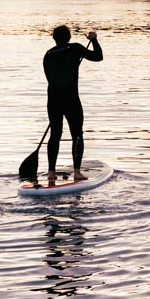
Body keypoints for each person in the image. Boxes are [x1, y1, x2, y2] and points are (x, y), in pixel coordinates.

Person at [43, 25, 102, 183]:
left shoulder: (47, 55)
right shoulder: (75, 48)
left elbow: (53, 78)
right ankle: (77, 172)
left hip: (53, 100)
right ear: (68, 37)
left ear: (54, 38)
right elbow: (98, 56)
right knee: (77, 134)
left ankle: (50, 173)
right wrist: (94, 40)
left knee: (55, 134)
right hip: (71, 99)